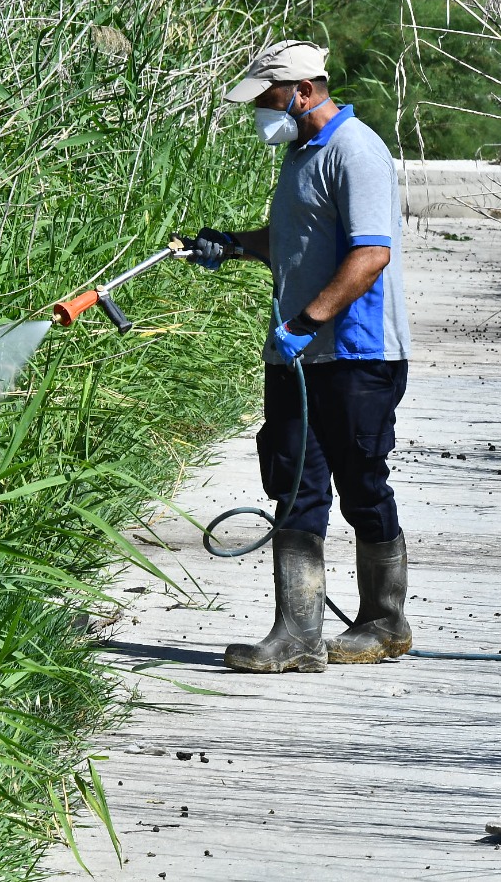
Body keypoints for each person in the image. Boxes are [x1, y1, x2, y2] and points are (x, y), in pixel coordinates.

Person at [188, 39, 412, 674]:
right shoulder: (298, 154)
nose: (261, 108)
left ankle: (386, 621)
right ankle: (296, 636)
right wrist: (231, 245)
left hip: (356, 351)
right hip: (297, 354)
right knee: (292, 481)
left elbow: (371, 253)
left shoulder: (356, 151)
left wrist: (305, 321)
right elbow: (294, 238)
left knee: (362, 481)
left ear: (304, 92)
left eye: (268, 96)